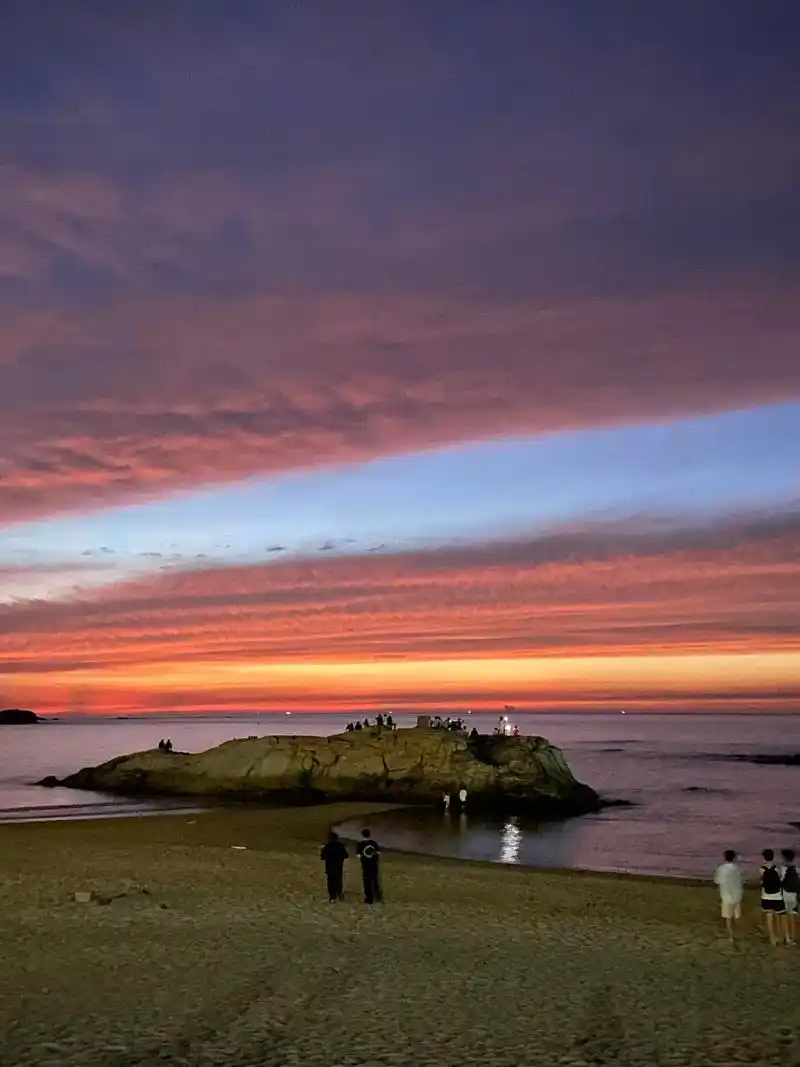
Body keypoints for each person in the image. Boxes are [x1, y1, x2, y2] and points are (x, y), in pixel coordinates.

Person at [713, 849, 743, 941]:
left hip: (726, 896)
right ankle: (739, 932)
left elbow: (717, 881)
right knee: (737, 915)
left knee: (728, 917)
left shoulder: (721, 868)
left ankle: (731, 936)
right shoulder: (737, 868)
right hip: (737, 895)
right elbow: (741, 879)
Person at [760, 848, 785, 946]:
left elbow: (761, 882)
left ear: (764, 858)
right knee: (779, 917)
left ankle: (772, 938)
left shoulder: (762, 869)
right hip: (777, 895)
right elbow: (780, 880)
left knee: (769, 917)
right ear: (773, 857)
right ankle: (780, 936)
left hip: (766, 895)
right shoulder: (777, 869)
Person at [320, 830, 349, 902]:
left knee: (330, 881)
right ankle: (339, 893)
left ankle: (332, 895)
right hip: (338, 866)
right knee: (338, 880)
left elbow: (322, 857)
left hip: (329, 866)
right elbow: (346, 855)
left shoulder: (327, 846)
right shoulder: (340, 846)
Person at [780, 847, 799, 945]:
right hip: (794, 895)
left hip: (786, 895)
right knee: (793, 917)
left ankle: (787, 937)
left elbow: (781, 882)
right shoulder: (797, 868)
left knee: (785, 917)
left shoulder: (783, 869)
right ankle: (793, 938)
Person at [357, 828, 382, 904]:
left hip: (365, 865)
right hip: (374, 864)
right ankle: (377, 895)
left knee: (367, 881)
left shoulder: (360, 844)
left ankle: (369, 898)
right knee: (375, 880)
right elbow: (378, 853)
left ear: (362, 835)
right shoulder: (374, 843)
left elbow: (358, 855)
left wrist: (364, 856)